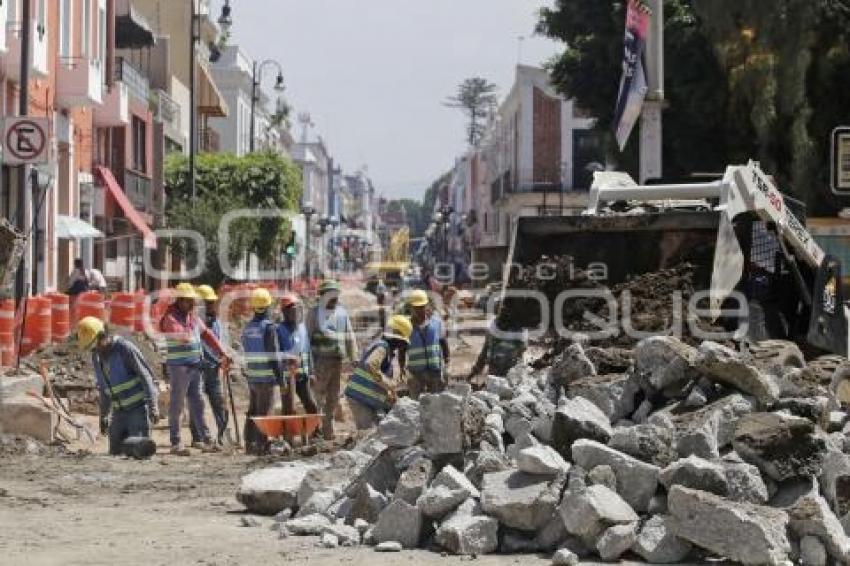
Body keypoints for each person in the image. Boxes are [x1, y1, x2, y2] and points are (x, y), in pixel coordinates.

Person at [159, 283, 229, 455]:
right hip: (179, 368)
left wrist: (222, 352)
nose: (192, 304)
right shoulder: (170, 318)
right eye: (189, 301)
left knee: (198, 402)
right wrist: (191, 332)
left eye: (193, 301)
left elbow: (207, 335)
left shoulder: (192, 317)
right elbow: (180, 335)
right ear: (180, 301)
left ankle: (206, 439)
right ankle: (176, 442)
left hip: (195, 366)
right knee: (177, 404)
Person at [78, 316, 159, 458]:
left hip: (138, 410)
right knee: (115, 453)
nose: (95, 350)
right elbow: (104, 389)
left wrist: (153, 407)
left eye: (95, 345)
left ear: (103, 336)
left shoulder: (124, 349)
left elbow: (146, 377)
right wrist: (103, 416)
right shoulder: (97, 356)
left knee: (139, 451)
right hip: (118, 413)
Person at [306, 280, 358, 440]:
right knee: (317, 398)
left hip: (337, 362)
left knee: (333, 398)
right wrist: (308, 366)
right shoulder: (314, 314)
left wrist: (354, 357)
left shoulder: (341, 313)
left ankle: (328, 432)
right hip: (319, 363)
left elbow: (350, 336)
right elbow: (306, 340)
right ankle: (315, 431)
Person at [344, 315, 412, 431]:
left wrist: (389, 393)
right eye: (402, 343)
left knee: (376, 433)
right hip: (360, 398)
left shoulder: (385, 349)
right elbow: (371, 365)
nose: (402, 346)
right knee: (366, 435)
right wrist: (388, 384)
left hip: (365, 399)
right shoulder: (383, 347)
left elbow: (377, 374)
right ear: (397, 339)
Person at [241, 287, 288, 455]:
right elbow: (273, 356)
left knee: (253, 410)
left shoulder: (248, 328)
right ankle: (261, 446)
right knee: (264, 412)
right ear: (267, 307)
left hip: (253, 377)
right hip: (267, 379)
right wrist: (282, 380)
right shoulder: (269, 328)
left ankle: (249, 443)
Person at [189, 284, 229, 445]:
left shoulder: (217, 323)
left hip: (214, 370)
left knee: (219, 403)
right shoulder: (193, 324)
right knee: (196, 404)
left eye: (212, 303)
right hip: (198, 370)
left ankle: (223, 434)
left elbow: (221, 343)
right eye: (208, 303)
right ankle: (197, 437)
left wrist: (224, 357)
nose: (212, 306)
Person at [276, 293, 319, 416]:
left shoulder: (302, 329)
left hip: (303, 377)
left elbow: (307, 351)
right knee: (288, 409)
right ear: (284, 312)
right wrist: (287, 360)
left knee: (311, 405)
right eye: (291, 311)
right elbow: (276, 353)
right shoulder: (279, 330)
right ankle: (288, 434)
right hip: (287, 378)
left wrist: (311, 372)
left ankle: (316, 433)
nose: (295, 313)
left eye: (297, 310)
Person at [406, 289, 450, 398]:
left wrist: (447, 362)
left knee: (437, 402)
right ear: (411, 308)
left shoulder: (436, 322)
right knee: (415, 405)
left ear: (426, 306)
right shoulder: (406, 326)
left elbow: (443, 342)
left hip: (435, 371)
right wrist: (402, 368)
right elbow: (402, 349)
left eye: (421, 307)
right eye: (416, 308)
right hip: (415, 373)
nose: (419, 310)